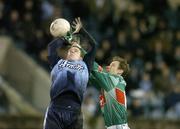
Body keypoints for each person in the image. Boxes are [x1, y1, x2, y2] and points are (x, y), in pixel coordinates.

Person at [43, 17, 97, 129]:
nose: (72, 50)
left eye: (76, 50)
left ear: (82, 56)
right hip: (55, 109)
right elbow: (51, 47)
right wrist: (65, 36)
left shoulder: (85, 65)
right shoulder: (58, 63)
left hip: (75, 112)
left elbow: (94, 45)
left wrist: (81, 31)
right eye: (70, 49)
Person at [89, 56, 130, 129]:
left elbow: (94, 68)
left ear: (120, 71)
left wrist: (80, 51)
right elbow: (91, 77)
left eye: (113, 65)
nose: (109, 67)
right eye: (110, 65)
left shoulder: (115, 80)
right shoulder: (108, 84)